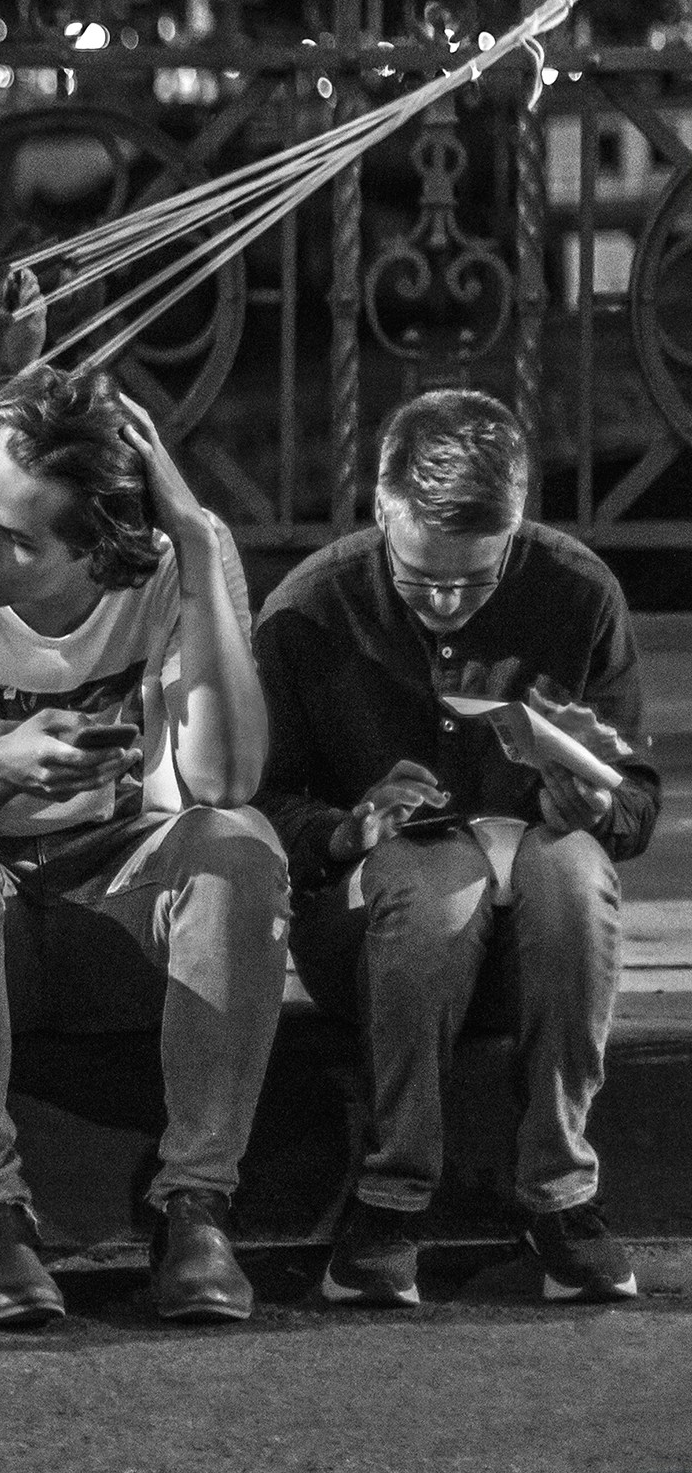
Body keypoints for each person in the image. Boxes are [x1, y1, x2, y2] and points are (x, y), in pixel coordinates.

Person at [0, 364, 282, 1328]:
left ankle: (197, 1210)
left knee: (240, 847)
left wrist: (201, 547)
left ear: (100, 552)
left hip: (107, 900)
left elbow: (226, 781)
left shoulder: (174, 568)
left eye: (18, 540)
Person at [258, 390, 657, 1308]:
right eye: (418, 576)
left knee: (573, 867)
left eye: (474, 582)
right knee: (431, 874)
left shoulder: (576, 591)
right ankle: (392, 1197)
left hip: (536, 942)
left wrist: (593, 801)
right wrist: (346, 829)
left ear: (515, 532)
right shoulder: (312, 609)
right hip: (378, 931)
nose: (444, 604)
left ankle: (562, 1195)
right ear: (381, 514)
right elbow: (256, 807)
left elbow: (635, 807)